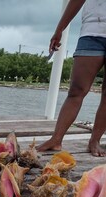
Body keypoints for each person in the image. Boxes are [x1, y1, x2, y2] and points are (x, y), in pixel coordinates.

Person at [37, 0, 106, 157]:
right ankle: (56, 139)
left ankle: (95, 141)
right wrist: (59, 29)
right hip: (92, 31)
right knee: (77, 89)